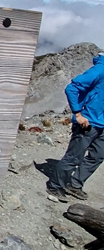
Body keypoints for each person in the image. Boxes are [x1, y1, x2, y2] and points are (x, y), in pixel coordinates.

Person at [46, 51, 104, 203]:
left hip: (102, 125)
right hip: (88, 121)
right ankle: (55, 186)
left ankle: (75, 184)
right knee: (74, 157)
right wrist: (78, 114)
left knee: (97, 156)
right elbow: (71, 88)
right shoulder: (100, 69)